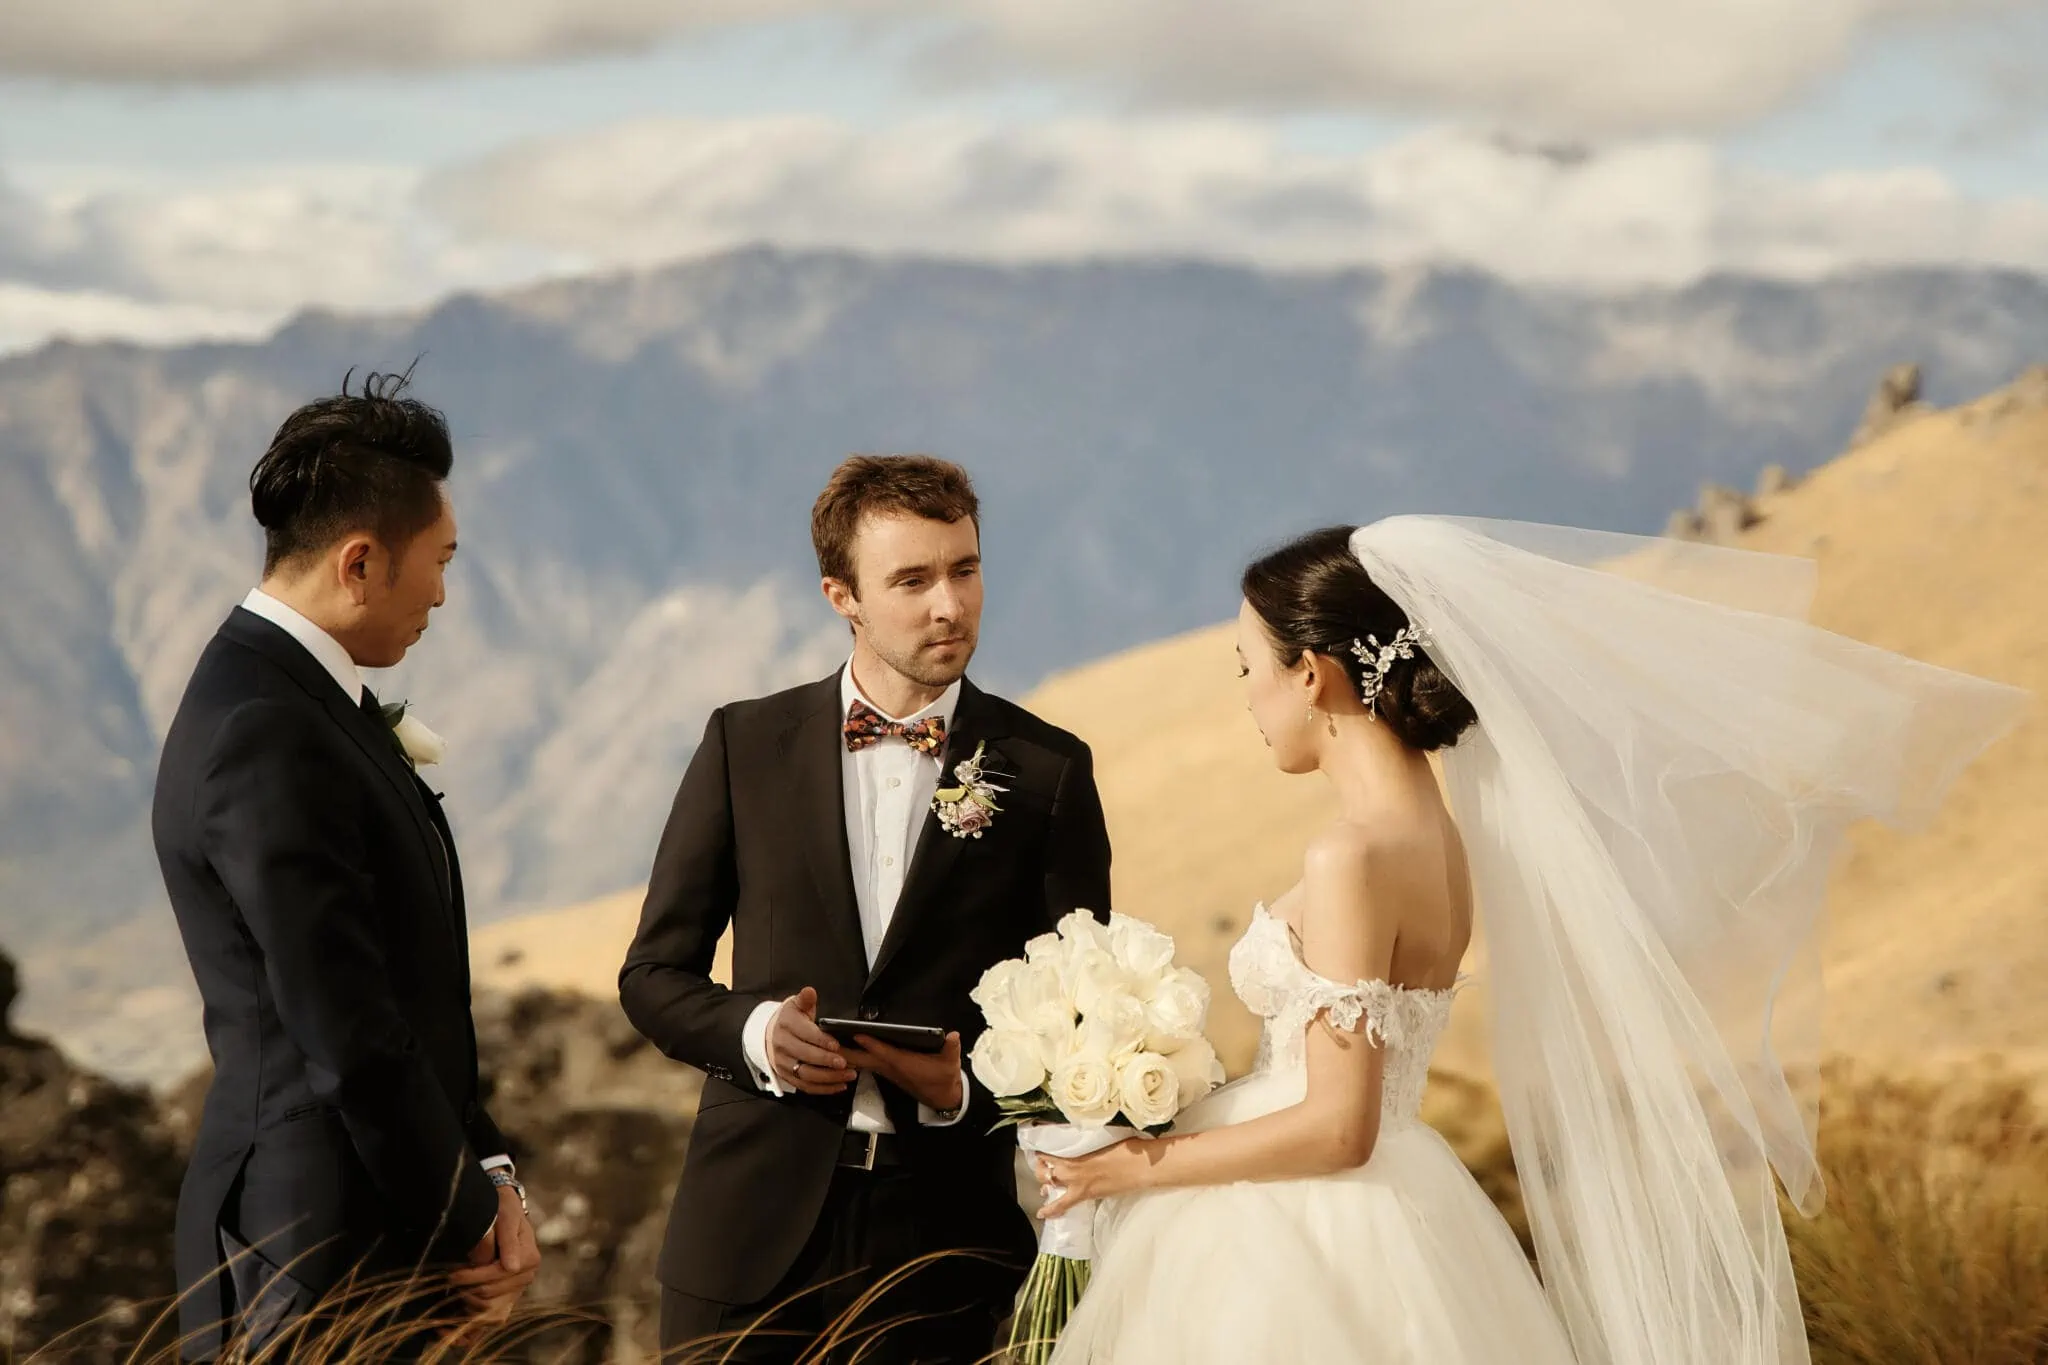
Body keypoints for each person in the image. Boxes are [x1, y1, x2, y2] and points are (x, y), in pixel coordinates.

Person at [1033, 516, 2025, 1364]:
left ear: (1313, 674)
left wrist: (1135, 1167)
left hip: (1302, 1228)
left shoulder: (1350, 855)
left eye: (1248, 668)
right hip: (1407, 1210)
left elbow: (1339, 1126)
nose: (1246, 699)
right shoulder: (1442, 843)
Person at [620, 455, 1114, 1363]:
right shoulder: (744, 743)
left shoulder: (1048, 771)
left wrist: (963, 1090)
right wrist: (757, 1030)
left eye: (964, 569)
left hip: (942, 1254)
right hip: (744, 1241)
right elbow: (653, 975)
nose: (950, 605)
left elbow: (1082, 1027)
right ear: (840, 593)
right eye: (913, 580)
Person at [152, 372, 540, 1358]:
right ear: (361, 561)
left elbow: (411, 999)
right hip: (310, 1244)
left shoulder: (308, 700)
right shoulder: (264, 729)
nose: (445, 594)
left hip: (378, 1220)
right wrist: (471, 1221)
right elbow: (345, 1026)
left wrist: (489, 1172)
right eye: (440, 562)